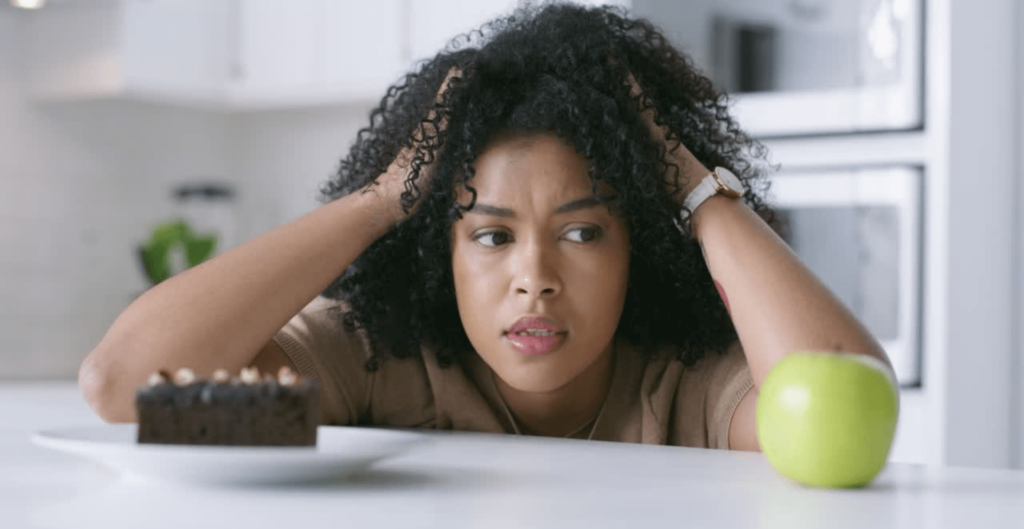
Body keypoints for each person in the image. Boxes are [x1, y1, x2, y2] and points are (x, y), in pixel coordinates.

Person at [79, 3, 889, 451]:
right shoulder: (378, 362)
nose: (534, 277)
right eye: (493, 236)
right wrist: (380, 201)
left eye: (582, 232)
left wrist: (693, 187)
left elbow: (847, 424)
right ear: (442, 252)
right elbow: (122, 389)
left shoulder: (686, 388)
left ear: (640, 243)